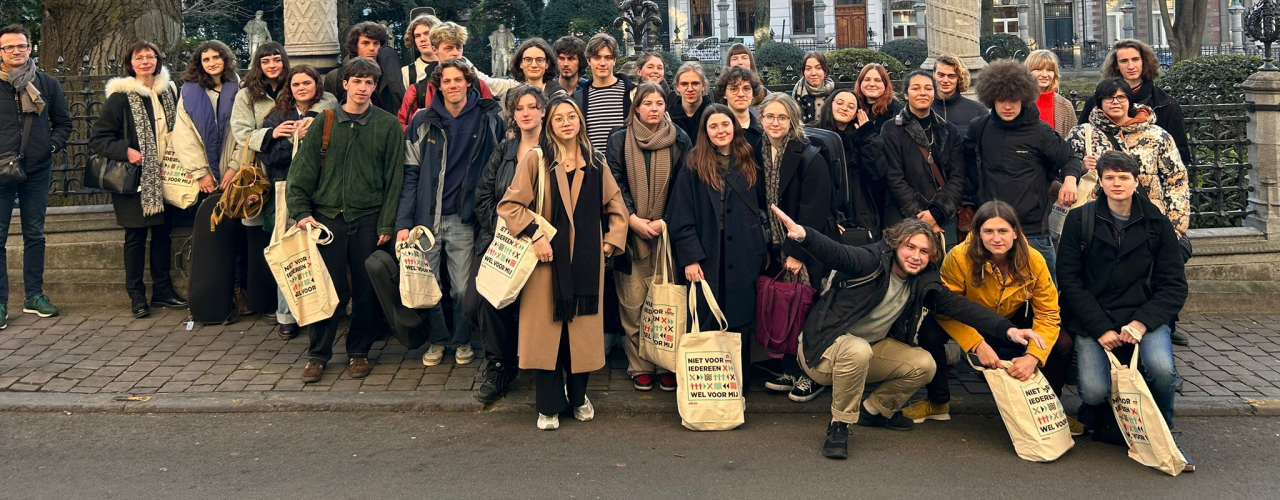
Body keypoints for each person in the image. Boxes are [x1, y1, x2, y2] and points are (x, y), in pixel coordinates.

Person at [770, 209, 1044, 460]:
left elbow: (960, 307)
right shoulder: (871, 261)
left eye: (924, 252)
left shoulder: (922, 280)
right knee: (857, 349)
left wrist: (1007, 329)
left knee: (924, 364)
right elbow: (840, 253)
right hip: (822, 352)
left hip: (867, 350)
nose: (916, 256)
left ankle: (874, 411)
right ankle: (839, 425)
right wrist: (806, 237)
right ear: (895, 245)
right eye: (910, 247)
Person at [496, 94, 628, 430]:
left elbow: (616, 207)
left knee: (579, 338)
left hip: (585, 266)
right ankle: (548, 404)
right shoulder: (536, 160)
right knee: (548, 337)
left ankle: (579, 395)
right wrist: (536, 236)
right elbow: (510, 206)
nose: (566, 122)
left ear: (580, 121)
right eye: (559, 118)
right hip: (545, 266)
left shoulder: (595, 161)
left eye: (572, 116)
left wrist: (612, 239)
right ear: (549, 124)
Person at [1056, 150, 1192, 472]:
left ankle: (1165, 433)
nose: (1117, 183)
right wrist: (1100, 327)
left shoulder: (1157, 223)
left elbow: (1173, 284)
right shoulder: (1080, 219)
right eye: (1110, 178)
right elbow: (1070, 281)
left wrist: (1142, 324)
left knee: (1161, 369)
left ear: (1135, 181)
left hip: (1143, 314)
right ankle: (1114, 420)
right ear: (1100, 182)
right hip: (1095, 317)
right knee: (1093, 390)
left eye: (1124, 177)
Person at [902, 200, 1079, 436]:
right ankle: (937, 402)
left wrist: (1033, 357)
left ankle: (1050, 408)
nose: (997, 238)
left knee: (1062, 343)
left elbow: (1048, 313)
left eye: (1003, 231)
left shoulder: (1034, 259)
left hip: (1015, 322)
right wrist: (976, 344)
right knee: (929, 330)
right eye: (988, 231)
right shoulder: (958, 257)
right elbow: (944, 307)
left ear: (1015, 233)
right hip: (971, 319)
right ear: (977, 233)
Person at [286, 57, 405, 383]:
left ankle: (359, 351)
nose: (363, 88)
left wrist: (386, 224)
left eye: (369, 82)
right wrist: (301, 213)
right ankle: (318, 354)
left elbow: (395, 179)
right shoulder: (324, 122)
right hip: (327, 220)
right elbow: (301, 174)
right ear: (345, 84)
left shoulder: (388, 125)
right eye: (357, 81)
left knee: (367, 290)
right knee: (327, 290)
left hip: (368, 219)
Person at [400, 58, 505, 367]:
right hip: (427, 218)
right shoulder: (423, 120)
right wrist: (404, 221)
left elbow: (500, 168)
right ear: (438, 85)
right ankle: (437, 339)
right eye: (446, 81)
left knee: (461, 287)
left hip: (464, 218)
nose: (453, 85)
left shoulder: (489, 117)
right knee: (429, 286)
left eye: (458, 79)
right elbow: (411, 174)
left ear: (469, 82)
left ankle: (461, 339)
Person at [87, 40, 185, 319]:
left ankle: (163, 291)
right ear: (130, 64)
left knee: (163, 235)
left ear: (158, 59)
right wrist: (126, 151)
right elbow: (99, 139)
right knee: (135, 236)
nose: (145, 61)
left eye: (150, 56)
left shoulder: (170, 90)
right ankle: (137, 295)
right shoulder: (120, 96)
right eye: (138, 58)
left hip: (166, 174)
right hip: (135, 180)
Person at [606, 83, 693, 392]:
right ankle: (640, 365)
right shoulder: (618, 140)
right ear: (637, 108)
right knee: (633, 304)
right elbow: (613, 183)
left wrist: (665, 221)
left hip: (667, 236)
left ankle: (666, 362)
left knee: (667, 305)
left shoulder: (679, 139)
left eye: (659, 103)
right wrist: (631, 219)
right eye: (648, 103)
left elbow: (685, 186)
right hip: (631, 236)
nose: (654, 108)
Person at [667, 104, 768, 362]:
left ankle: (739, 383)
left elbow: (764, 203)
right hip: (708, 251)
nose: (720, 130)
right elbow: (681, 214)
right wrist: (690, 257)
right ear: (705, 131)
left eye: (725, 124)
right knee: (707, 316)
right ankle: (709, 385)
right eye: (713, 126)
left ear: (734, 126)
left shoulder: (750, 158)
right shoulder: (693, 163)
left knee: (740, 319)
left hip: (744, 251)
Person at [965, 60, 1081, 284]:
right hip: (991, 226)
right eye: (1001, 100)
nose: (1007, 106)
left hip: (1032, 228)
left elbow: (1070, 159)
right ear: (991, 99)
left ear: (1024, 98)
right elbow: (966, 161)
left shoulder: (1040, 132)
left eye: (1013, 100)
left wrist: (1069, 181)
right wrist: (976, 192)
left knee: (1046, 291)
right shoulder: (979, 127)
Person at [471, 85, 547, 404]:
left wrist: (533, 232)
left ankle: (543, 363)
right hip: (503, 240)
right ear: (513, 114)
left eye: (532, 106)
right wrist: (506, 231)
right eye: (519, 108)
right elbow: (485, 196)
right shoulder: (504, 149)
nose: (526, 112)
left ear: (544, 111)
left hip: (544, 241)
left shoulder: (555, 149)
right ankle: (500, 364)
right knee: (485, 301)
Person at [755, 93, 832, 402]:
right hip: (774, 245)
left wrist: (798, 253)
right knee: (786, 309)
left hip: (804, 249)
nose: (775, 122)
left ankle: (813, 374)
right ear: (760, 120)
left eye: (782, 117)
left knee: (808, 312)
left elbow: (815, 209)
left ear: (793, 121)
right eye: (770, 116)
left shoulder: (809, 155)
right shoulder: (756, 152)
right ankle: (790, 368)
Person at [256, 65, 338, 338]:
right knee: (287, 252)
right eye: (295, 84)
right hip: (286, 192)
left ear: (317, 85)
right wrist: (291, 137)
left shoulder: (330, 113)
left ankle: (321, 310)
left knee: (322, 254)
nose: (301, 88)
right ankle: (286, 315)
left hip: (323, 192)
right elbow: (268, 158)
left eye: (306, 83)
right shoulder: (278, 116)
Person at [0, 24, 71, 324]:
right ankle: (1, 304)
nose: (16, 51)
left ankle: (34, 295)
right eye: (9, 47)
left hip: (37, 169)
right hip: (0, 170)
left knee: (35, 233)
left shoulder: (47, 83)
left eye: (21, 46)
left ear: (30, 48)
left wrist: (49, 148)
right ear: (0, 52)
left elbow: (64, 124)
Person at [171, 40, 245, 314]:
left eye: (217, 57)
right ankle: (213, 295)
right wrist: (201, 173)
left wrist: (234, 167)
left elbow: (243, 131)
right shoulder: (189, 93)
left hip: (233, 174)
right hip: (204, 180)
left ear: (225, 59)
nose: (212, 62)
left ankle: (238, 290)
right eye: (206, 59)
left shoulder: (239, 88)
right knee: (210, 238)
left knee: (237, 238)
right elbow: (184, 136)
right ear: (199, 63)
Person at [1065, 78, 1190, 238]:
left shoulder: (1157, 136)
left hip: (1148, 223)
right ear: (1099, 102)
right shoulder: (1082, 134)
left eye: (1121, 97)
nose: (1115, 102)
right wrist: (1081, 168)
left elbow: (1176, 180)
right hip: (1097, 225)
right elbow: (1063, 171)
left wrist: (1175, 228)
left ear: (1129, 100)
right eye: (1109, 97)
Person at [228, 41, 290, 318]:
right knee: (259, 240)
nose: (272, 65)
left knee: (289, 238)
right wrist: (271, 134)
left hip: (291, 171)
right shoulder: (247, 95)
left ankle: (290, 302)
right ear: (259, 65)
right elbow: (241, 131)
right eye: (266, 61)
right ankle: (263, 302)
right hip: (259, 174)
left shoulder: (297, 84)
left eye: (277, 59)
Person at [882, 71, 965, 247]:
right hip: (905, 218)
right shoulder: (891, 129)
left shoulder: (948, 130)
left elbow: (958, 176)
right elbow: (894, 178)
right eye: (916, 88)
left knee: (945, 270)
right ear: (906, 94)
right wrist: (923, 217)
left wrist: (936, 213)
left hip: (943, 217)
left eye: (928, 88)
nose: (922, 93)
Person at [1078, 39, 1190, 168]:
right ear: (1116, 65)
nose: (1130, 66)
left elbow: (1180, 154)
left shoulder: (1165, 103)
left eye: (1135, 59)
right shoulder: (1095, 102)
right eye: (1124, 61)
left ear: (1144, 61)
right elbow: (1080, 144)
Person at [813, 89, 884, 241]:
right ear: (829, 105)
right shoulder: (814, 134)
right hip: (825, 211)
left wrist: (867, 135)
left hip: (859, 212)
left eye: (851, 106)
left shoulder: (863, 137)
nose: (844, 108)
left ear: (856, 113)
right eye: (840, 103)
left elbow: (877, 173)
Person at [397, 22, 495, 129]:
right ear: (435, 50)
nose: (455, 53)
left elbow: (493, 125)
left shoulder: (479, 85)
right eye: (449, 48)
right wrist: (419, 123)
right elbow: (402, 130)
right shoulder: (418, 91)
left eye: (459, 47)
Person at [324, 22, 404, 114]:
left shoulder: (390, 72)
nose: (372, 48)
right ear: (355, 46)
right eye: (366, 43)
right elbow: (329, 109)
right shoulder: (336, 76)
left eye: (376, 43)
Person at [579, 33, 634, 153]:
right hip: (593, 167)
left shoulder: (632, 93)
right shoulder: (580, 96)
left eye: (608, 58)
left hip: (624, 167)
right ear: (589, 60)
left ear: (614, 60)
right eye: (597, 57)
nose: (602, 63)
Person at [476, 38, 566, 109]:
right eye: (528, 60)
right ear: (520, 64)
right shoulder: (510, 92)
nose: (534, 65)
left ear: (547, 64)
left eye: (539, 60)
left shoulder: (558, 95)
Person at [930, 54, 986, 138]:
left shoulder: (978, 110)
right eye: (941, 75)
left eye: (951, 76)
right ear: (934, 74)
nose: (945, 80)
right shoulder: (922, 108)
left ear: (959, 77)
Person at [1025, 50, 1076, 138]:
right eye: (1038, 69)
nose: (1045, 74)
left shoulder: (1066, 107)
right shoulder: (1017, 103)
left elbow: (1072, 142)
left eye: (1049, 70)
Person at [714, 66, 764, 153]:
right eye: (734, 89)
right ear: (724, 93)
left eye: (746, 89)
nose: (741, 94)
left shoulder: (764, 131)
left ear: (753, 93)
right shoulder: (714, 131)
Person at [668, 62, 711, 141]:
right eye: (684, 84)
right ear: (677, 87)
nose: (690, 89)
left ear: (703, 86)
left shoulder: (713, 115)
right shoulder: (668, 118)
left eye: (695, 83)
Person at [855, 63, 903, 132]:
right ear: (860, 83)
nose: (871, 84)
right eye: (867, 80)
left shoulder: (896, 112)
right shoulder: (853, 107)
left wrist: (867, 131)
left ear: (885, 84)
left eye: (877, 80)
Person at [792, 51, 835, 125]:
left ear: (825, 70)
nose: (813, 73)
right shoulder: (797, 92)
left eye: (818, 68)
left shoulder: (834, 93)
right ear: (803, 72)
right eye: (808, 69)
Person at [401, 14, 441, 89]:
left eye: (427, 34)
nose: (422, 39)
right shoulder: (406, 73)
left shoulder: (460, 64)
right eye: (417, 36)